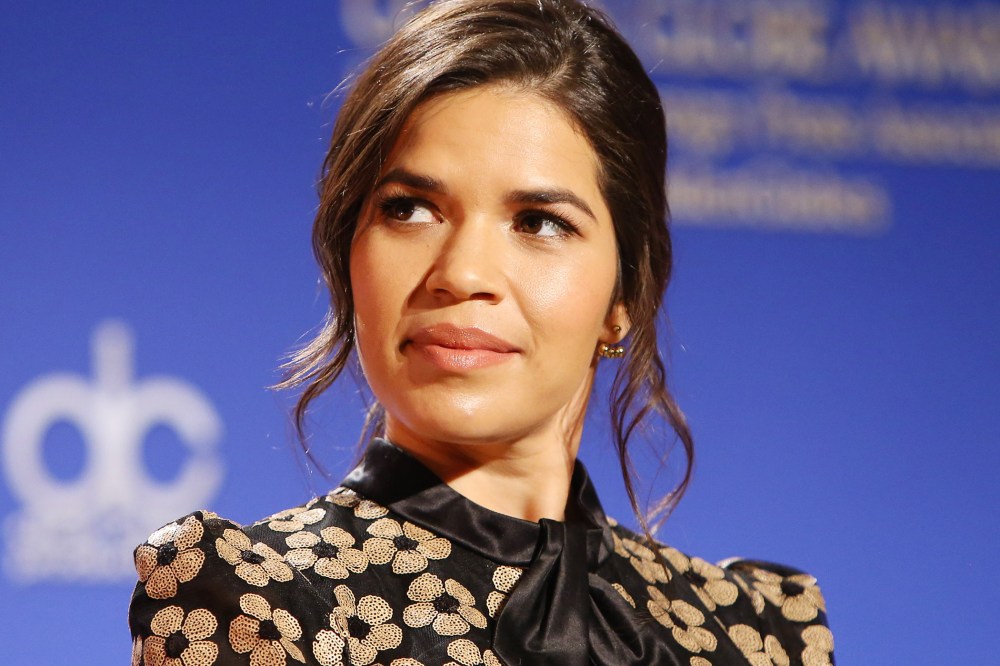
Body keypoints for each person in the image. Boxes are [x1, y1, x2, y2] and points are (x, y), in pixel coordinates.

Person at [128, 1, 834, 664]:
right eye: (409, 209)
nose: (462, 273)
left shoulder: (756, 634)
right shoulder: (256, 603)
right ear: (347, 256)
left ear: (623, 296)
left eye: (539, 223)